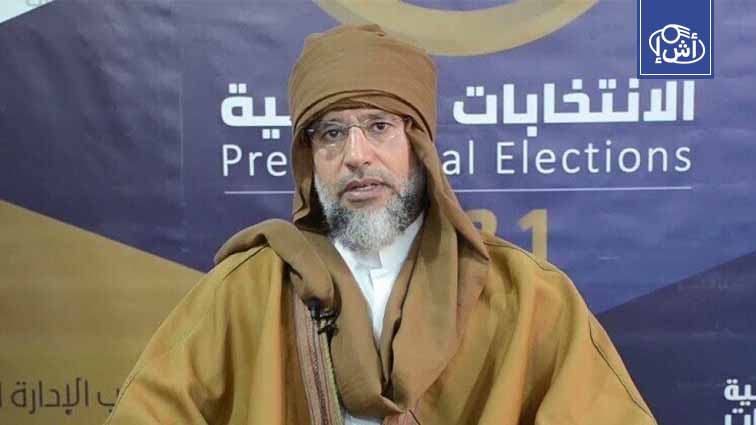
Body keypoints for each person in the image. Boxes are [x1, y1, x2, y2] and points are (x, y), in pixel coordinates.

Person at [105, 24, 657, 425]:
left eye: (378, 127)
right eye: (331, 133)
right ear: (308, 159)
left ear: (419, 147)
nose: (356, 155)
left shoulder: (530, 297)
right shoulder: (245, 291)